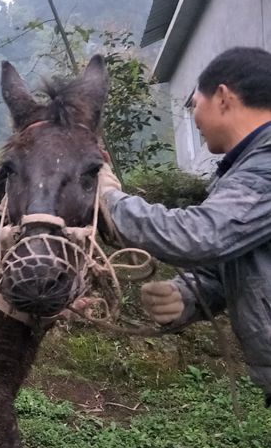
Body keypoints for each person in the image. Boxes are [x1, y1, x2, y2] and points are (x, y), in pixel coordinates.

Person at [98, 46, 271, 407]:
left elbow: (202, 235)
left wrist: (109, 197)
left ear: (223, 97)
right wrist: (188, 296)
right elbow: (238, 264)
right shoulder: (244, 170)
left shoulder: (265, 166)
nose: (194, 116)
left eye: (195, 102)